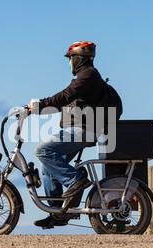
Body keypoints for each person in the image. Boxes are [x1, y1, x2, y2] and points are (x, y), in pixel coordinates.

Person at [28, 41, 107, 229]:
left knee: (42, 150)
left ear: (78, 58)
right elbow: (64, 102)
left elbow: (65, 96)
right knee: (49, 168)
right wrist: (34, 109)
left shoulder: (88, 75)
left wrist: (39, 104)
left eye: (70, 58)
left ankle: (76, 180)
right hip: (79, 128)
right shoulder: (85, 76)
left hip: (84, 130)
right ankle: (58, 212)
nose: (69, 62)